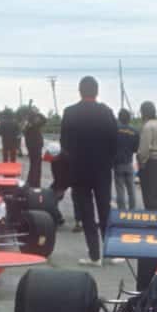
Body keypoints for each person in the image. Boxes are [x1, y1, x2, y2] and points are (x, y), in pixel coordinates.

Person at [60, 76, 117, 266]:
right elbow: (114, 142)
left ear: (80, 91)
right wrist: (107, 161)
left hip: (79, 171)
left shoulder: (70, 113)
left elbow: (64, 144)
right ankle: (110, 253)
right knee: (105, 210)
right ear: (97, 91)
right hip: (102, 170)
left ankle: (94, 256)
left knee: (87, 213)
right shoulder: (107, 113)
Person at [114, 108, 139, 211]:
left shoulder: (114, 130)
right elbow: (136, 149)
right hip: (129, 163)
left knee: (120, 189)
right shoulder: (135, 131)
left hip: (117, 164)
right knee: (131, 189)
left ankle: (122, 211)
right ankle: (132, 210)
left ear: (119, 118)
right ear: (129, 119)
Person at [23, 110, 46, 188]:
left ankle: (31, 181)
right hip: (36, 146)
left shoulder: (27, 125)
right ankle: (35, 183)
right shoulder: (35, 125)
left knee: (33, 165)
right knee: (37, 166)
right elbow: (44, 119)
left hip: (31, 147)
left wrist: (33, 115)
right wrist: (37, 113)